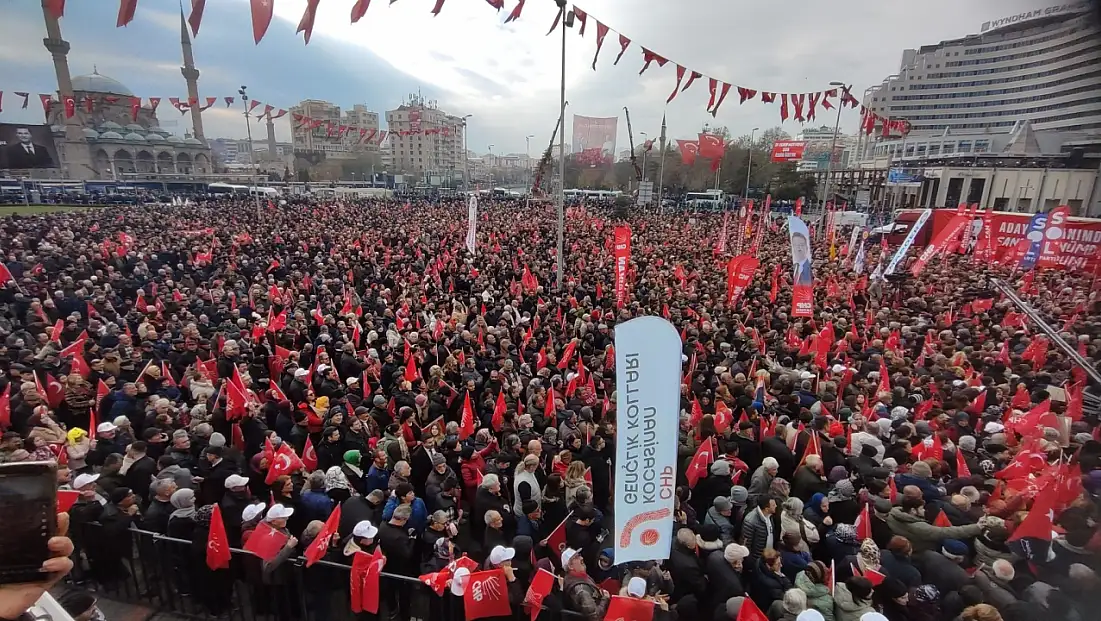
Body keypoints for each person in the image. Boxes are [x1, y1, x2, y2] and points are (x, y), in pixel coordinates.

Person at [561, 547, 610, 620]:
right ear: (570, 566)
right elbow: (595, 616)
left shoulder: (579, 576)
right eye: (576, 557)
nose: (581, 558)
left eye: (579, 555)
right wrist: (605, 599)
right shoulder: (581, 589)